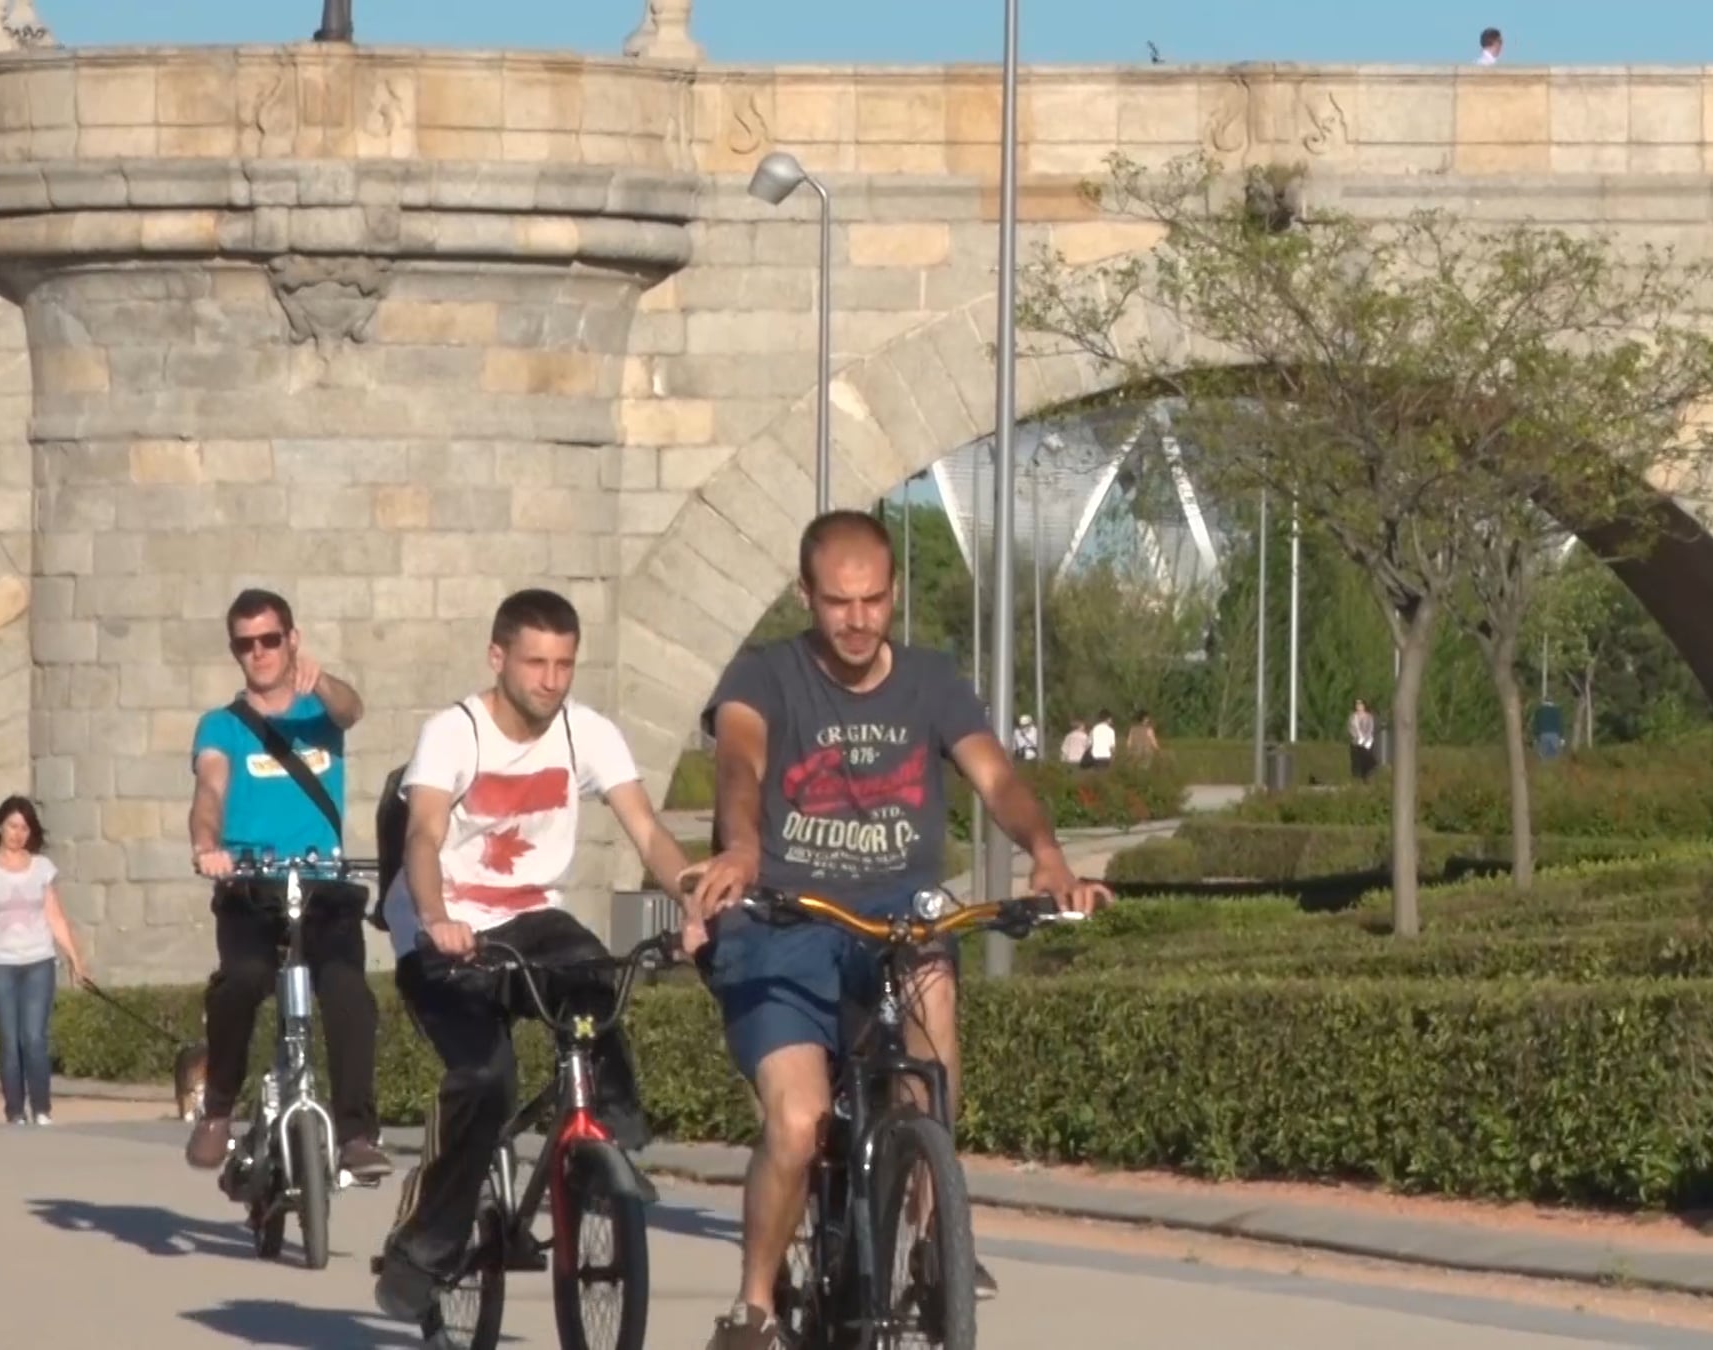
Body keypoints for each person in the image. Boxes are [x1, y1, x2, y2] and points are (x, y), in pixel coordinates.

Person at [684, 509, 1113, 1350]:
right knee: (799, 1124)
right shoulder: (762, 675)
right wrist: (743, 846)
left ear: (895, 592)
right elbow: (740, 761)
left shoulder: (931, 680)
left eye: (874, 600)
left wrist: (1047, 854)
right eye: (838, 602)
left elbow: (996, 777)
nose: (857, 620)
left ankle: (936, 1232)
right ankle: (755, 1303)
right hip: (786, 919)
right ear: (805, 594)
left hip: (895, 912)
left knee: (933, 993)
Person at [372, 588, 697, 1324]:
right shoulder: (454, 733)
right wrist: (436, 918)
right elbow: (423, 835)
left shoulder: (588, 732)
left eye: (564, 665)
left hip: (529, 917)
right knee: (486, 1080)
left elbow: (648, 832)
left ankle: (603, 1145)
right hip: (442, 929)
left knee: (592, 976)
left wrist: (694, 904)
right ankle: (424, 1246)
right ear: (498, 657)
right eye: (535, 663)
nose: (551, 681)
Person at [184, 588, 388, 1180]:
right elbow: (209, 790)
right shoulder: (222, 726)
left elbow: (352, 710)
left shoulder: (319, 713)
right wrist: (207, 845)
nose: (259, 652)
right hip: (250, 886)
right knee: (242, 981)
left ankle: (356, 1134)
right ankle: (218, 1108)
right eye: (245, 644)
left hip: (323, 886)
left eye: (270, 639)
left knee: (349, 992)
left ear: (291, 640)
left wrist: (320, 683)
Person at [0, 796, 87, 1126]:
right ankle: (14, 1111)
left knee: (34, 1038)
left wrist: (74, 958)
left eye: (24, 828)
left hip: (38, 960)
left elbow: (55, 917)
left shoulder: (42, 868)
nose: (18, 834)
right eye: (12, 826)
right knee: (10, 1041)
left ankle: (42, 1109)